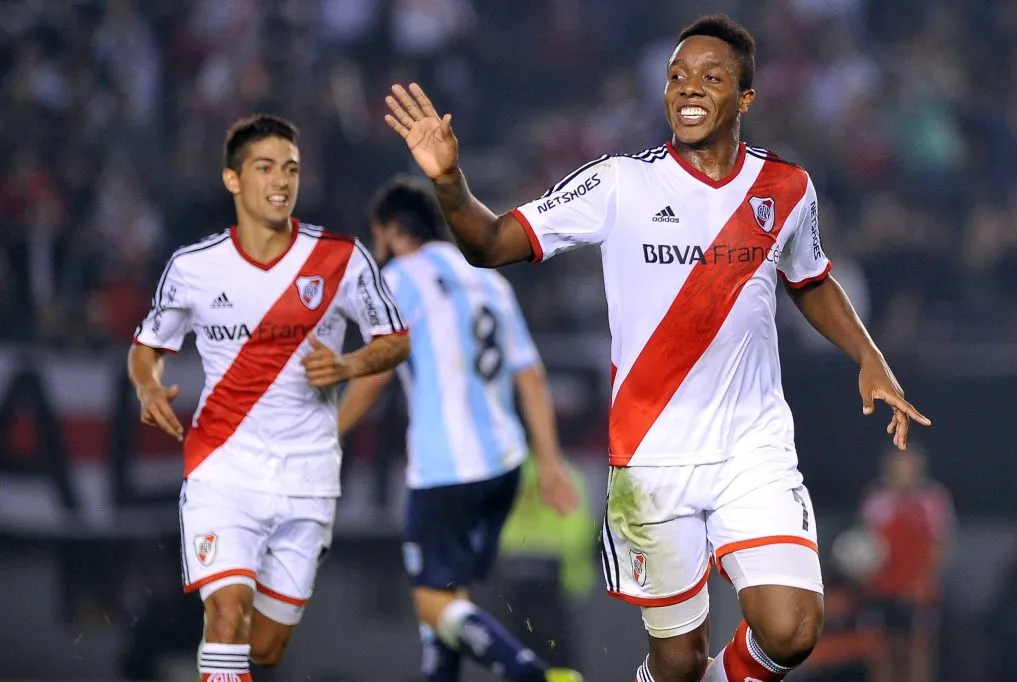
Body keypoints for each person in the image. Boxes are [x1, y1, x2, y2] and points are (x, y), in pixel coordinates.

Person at [381, 13, 932, 682]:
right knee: (678, 661)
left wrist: (869, 356)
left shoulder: (786, 190)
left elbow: (809, 280)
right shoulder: (620, 183)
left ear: (745, 98)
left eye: (710, 76)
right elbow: (491, 243)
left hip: (750, 448)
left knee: (791, 630)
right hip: (650, 461)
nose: (688, 88)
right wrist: (448, 181)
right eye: (676, 76)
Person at [127, 114, 410, 682]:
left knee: (268, 644)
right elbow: (146, 346)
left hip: (307, 473)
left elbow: (397, 340)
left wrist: (350, 363)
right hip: (222, 466)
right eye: (264, 168)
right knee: (226, 614)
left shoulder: (340, 260)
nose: (281, 181)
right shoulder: (194, 269)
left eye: (291, 169)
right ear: (233, 180)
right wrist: (148, 384)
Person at [335, 176, 584, 682]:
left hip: (446, 469)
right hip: (506, 466)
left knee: (431, 604)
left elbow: (379, 370)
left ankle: (531, 673)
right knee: (449, 596)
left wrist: (327, 434)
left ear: (387, 232)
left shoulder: (400, 278)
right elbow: (532, 378)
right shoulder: (488, 280)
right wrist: (551, 465)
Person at [860, 445, 954, 682]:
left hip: (918, 593)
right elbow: (866, 546)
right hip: (882, 590)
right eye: (898, 466)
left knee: (918, 653)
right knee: (882, 654)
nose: (904, 471)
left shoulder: (933, 499)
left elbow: (941, 545)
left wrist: (925, 582)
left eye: (909, 466)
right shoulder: (877, 500)